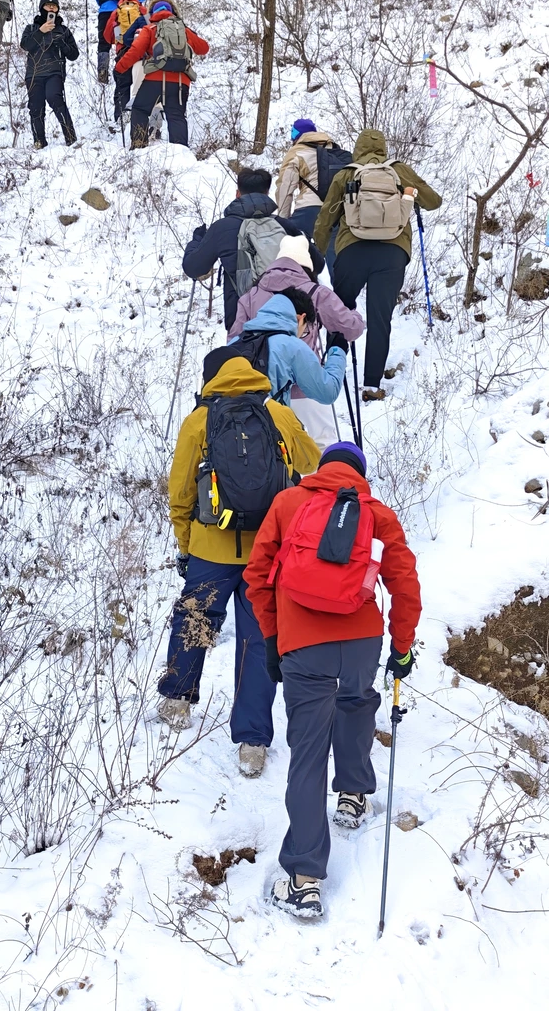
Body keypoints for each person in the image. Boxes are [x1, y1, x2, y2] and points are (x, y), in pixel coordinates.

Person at [245, 440, 421, 920]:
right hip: (361, 638)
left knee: (306, 753)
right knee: (358, 702)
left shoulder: (287, 504)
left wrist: (274, 637)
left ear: (321, 469)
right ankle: (352, 793)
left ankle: (304, 880)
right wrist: (402, 647)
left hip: (302, 644)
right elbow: (404, 584)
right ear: (361, 474)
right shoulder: (377, 515)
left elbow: (257, 576)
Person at [159, 355, 320, 777]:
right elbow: (310, 462)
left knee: (195, 617)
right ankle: (252, 742)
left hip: (211, 548)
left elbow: (180, 493)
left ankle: (177, 701)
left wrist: (187, 543)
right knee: (257, 638)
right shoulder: (277, 413)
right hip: (266, 551)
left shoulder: (199, 421)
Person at [313, 130, 442, 402]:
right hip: (392, 253)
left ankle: (333, 369)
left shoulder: (346, 174)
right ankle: (371, 384)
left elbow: (325, 220)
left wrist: (317, 257)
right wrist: (412, 195)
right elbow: (434, 201)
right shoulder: (398, 171)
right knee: (380, 318)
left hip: (352, 250)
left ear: (357, 149)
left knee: (340, 310)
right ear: (383, 148)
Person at [229, 235, 364, 443]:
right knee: (322, 446)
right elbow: (351, 329)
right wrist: (352, 315)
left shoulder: (250, 295)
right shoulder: (316, 293)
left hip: (261, 395)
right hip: (308, 388)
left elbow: (234, 341)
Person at [183, 168, 313, 331]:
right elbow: (317, 264)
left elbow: (193, 268)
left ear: (238, 194)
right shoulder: (284, 225)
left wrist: (196, 241)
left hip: (243, 322)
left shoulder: (222, 228)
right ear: (267, 193)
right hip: (290, 321)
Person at [114, 0, 208, 149]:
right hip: (180, 82)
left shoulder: (150, 29)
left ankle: (139, 147)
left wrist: (119, 68)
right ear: (173, 12)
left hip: (154, 80)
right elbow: (204, 48)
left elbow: (135, 51)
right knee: (176, 117)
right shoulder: (183, 29)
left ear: (153, 13)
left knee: (140, 109)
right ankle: (181, 153)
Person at [234, 290, 346, 412]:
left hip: (224, 425)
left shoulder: (236, 342)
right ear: (300, 318)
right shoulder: (291, 346)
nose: (300, 336)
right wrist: (338, 351)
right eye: (304, 331)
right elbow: (327, 392)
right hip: (266, 426)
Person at [275, 119, 346, 272]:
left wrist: (282, 219)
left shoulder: (296, 151)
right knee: (334, 257)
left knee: (291, 248)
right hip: (336, 210)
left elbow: (285, 188)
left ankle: (297, 285)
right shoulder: (333, 149)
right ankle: (339, 294)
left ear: (296, 134)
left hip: (309, 210)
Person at [76, 0, 147, 82]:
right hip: (128, 9)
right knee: (128, 38)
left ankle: (103, 74)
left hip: (107, 10)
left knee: (105, 42)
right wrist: (138, 1)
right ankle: (130, 69)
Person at [20, 0, 79, 148]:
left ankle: (71, 138)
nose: (52, 8)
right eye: (48, 6)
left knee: (55, 98)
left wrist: (63, 45)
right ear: (41, 8)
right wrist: (40, 31)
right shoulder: (32, 28)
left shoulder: (63, 30)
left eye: (54, 6)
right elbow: (25, 45)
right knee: (35, 107)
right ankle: (39, 142)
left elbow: (74, 54)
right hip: (34, 73)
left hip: (54, 71)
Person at [102, 0, 148, 123]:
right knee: (142, 85)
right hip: (141, 52)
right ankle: (143, 120)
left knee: (123, 86)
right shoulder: (142, 10)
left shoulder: (116, 12)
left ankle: (120, 119)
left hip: (123, 52)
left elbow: (107, 36)